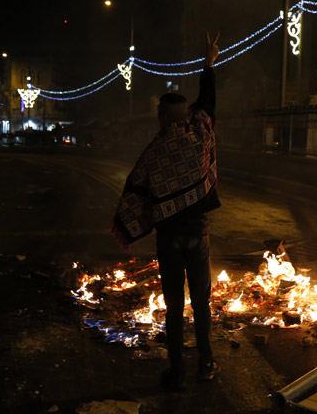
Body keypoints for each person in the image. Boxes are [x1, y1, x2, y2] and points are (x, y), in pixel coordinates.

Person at [111, 33, 221, 390]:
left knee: (174, 307)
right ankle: (206, 364)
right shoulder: (200, 135)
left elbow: (135, 191)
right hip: (197, 234)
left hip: (169, 238)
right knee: (201, 304)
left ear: (161, 115)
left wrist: (126, 226)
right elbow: (208, 102)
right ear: (185, 113)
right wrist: (209, 62)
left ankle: (176, 372)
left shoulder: (155, 151)